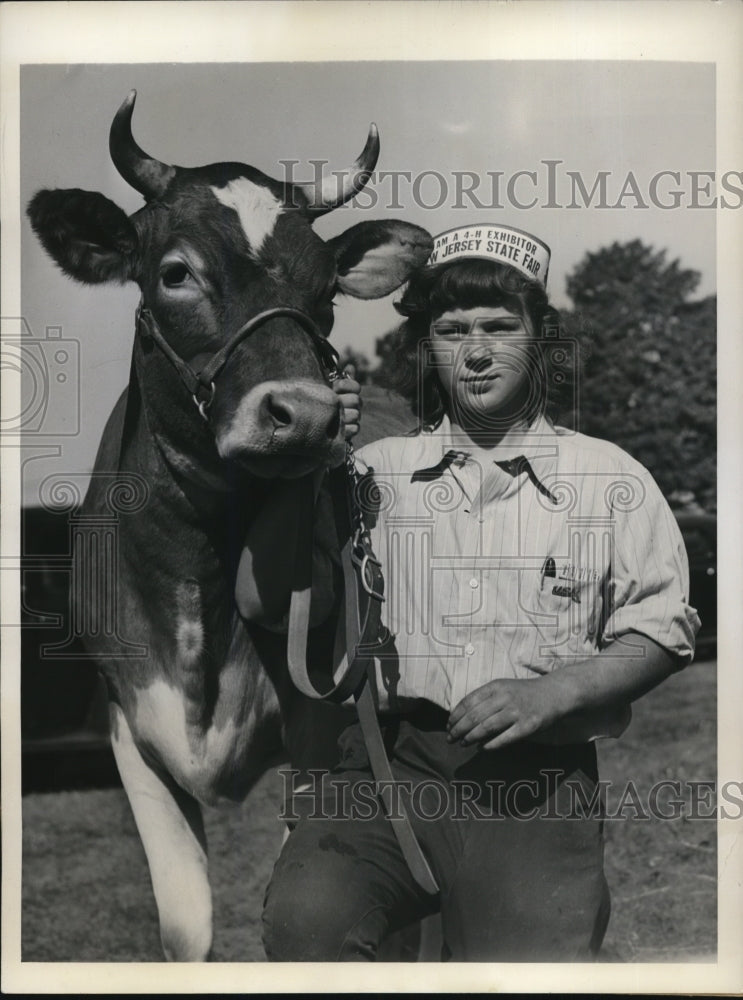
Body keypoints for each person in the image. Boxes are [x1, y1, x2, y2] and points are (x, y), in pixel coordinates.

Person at [250, 224, 700, 962]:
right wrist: (309, 459)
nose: (478, 349)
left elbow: (661, 631)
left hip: (534, 783)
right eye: (452, 330)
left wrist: (553, 692)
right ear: (426, 346)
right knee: (306, 925)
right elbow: (263, 601)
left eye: (499, 326)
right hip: (389, 770)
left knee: (525, 974)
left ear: (538, 338)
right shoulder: (371, 472)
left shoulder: (608, 477)